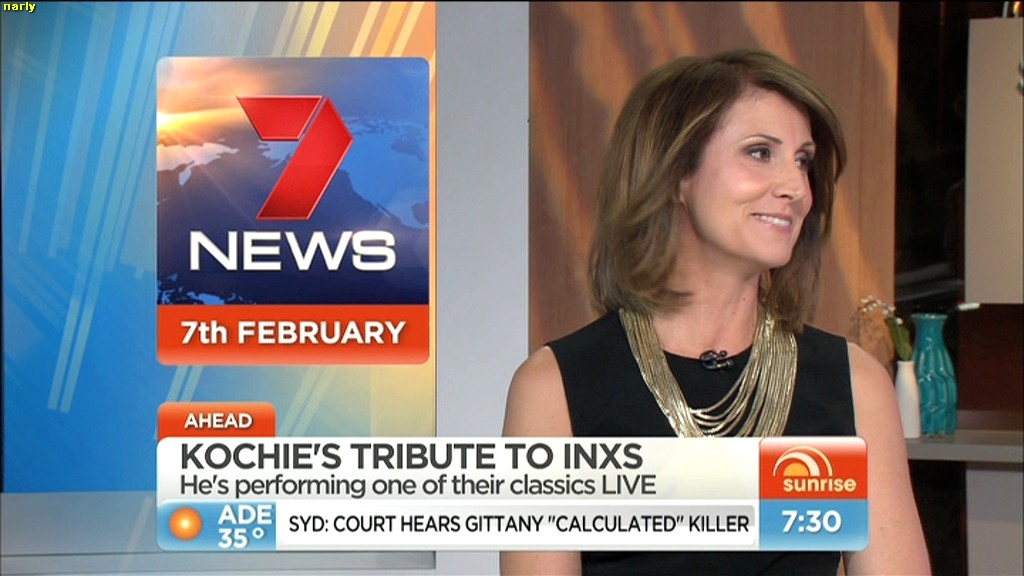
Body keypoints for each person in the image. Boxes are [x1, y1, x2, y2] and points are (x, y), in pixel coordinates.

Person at [501, 49, 930, 576]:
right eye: (759, 152)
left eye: (802, 160)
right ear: (675, 176)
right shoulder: (555, 389)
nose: (796, 188)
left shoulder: (854, 385)